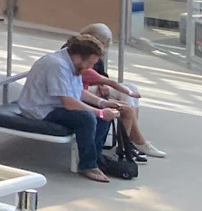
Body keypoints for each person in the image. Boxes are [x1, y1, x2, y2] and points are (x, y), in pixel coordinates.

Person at [16, 35, 117, 182]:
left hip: (55, 105)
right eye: (90, 63)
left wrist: (102, 103)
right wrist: (100, 112)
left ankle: (95, 156)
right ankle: (88, 165)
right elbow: (69, 102)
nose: (91, 68)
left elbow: (77, 92)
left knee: (100, 115)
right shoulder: (57, 65)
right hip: (40, 109)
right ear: (78, 57)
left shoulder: (72, 65)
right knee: (87, 118)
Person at [73, 27, 161, 160]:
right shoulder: (80, 53)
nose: (105, 48)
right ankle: (132, 142)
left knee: (130, 88)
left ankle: (130, 138)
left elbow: (101, 75)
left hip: (90, 86)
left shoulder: (93, 54)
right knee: (125, 100)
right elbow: (92, 76)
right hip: (81, 89)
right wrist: (125, 91)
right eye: (105, 44)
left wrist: (102, 83)